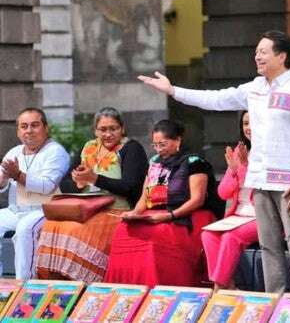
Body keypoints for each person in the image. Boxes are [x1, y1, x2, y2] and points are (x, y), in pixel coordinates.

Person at [138, 30, 290, 293]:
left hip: (289, 182)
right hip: (259, 180)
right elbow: (215, 99)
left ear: (282, 56)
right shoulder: (254, 89)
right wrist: (173, 90)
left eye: (263, 52)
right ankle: (275, 299)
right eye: (256, 51)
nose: (257, 56)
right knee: (269, 244)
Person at [104, 119, 223, 287]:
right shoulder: (154, 162)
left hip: (186, 214)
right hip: (156, 213)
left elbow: (197, 200)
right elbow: (144, 197)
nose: (159, 150)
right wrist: (134, 214)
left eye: (163, 144)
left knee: (156, 235)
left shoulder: (195, 162)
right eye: (155, 145)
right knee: (123, 230)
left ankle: (156, 289)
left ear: (178, 141)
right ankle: (126, 291)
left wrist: (170, 216)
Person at [35, 107, 148, 282]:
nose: (108, 134)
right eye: (103, 129)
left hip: (116, 210)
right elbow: (65, 183)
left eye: (113, 129)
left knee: (73, 230)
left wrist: (95, 179)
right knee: (51, 225)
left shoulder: (131, 148)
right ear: (95, 130)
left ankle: (81, 282)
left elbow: (130, 187)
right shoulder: (89, 147)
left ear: (122, 129)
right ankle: (56, 282)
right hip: (86, 209)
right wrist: (78, 183)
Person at [0, 108, 70, 279]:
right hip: (15, 210)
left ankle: (24, 286)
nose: (29, 130)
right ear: (18, 131)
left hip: (44, 210)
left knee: (25, 229)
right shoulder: (14, 152)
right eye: (24, 126)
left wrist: (17, 175)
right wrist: (3, 179)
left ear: (46, 128)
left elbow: (47, 186)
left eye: (34, 125)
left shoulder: (56, 152)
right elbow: (2, 182)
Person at [202, 111, 258, 290]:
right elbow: (223, 193)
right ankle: (228, 285)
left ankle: (219, 287)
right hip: (239, 215)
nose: (248, 128)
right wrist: (233, 171)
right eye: (245, 124)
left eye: (253, 122)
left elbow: (262, 185)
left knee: (230, 237)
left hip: (262, 215)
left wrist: (246, 167)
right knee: (208, 235)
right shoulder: (238, 151)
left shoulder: (270, 151)